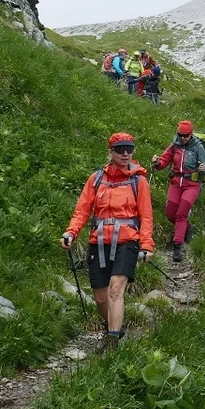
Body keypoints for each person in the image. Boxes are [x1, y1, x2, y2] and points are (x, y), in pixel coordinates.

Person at [61, 132, 154, 351]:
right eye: (120, 149)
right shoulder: (96, 179)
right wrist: (71, 233)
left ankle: (112, 341)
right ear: (110, 152)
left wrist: (147, 245)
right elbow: (82, 211)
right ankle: (113, 326)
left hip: (127, 241)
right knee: (101, 298)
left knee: (115, 290)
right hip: (99, 240)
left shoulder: (138, 181)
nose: (125, 153)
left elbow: (146, 216)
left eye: (129, 149)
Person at [151, 120, 205, 262]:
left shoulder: (198, 147)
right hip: (175, 183)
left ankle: (177, 247)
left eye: (185, 135)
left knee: (181, 214)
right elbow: (164, 160)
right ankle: (188, 228)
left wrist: (203, 169)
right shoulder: (174, 145)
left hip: (191, 185)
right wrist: (158, 163)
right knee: (171, 214)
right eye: (180, 135)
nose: (182, 138)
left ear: (191, 134)